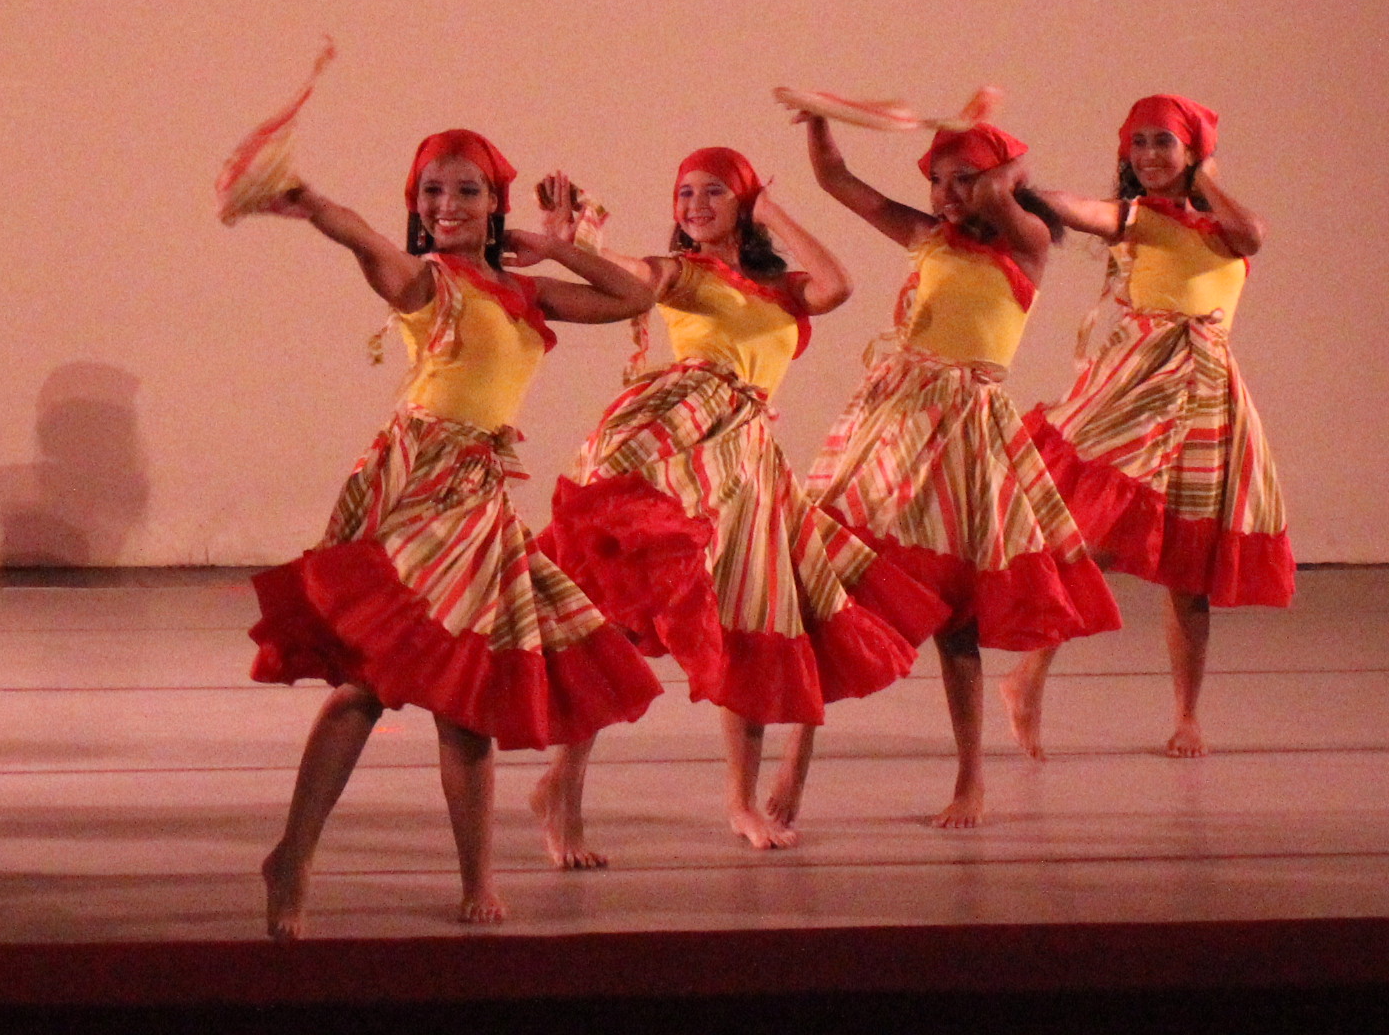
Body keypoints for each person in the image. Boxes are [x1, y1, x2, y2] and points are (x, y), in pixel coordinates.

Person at [245, 131, 663, 937]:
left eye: (466, 192)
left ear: (494, 206)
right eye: (431, 193)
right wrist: (316, 209)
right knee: (365, 685)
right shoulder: (425, 283)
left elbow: (634, 298)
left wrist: (558, 248)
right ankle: (293, 856)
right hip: (416, 491)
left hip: (478, 499)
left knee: (468, 698)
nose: (445, 207)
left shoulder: (524, 293)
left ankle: (476, 875)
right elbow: (370, 245)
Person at [545, 148, 941, 848]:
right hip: (682, 442)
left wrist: (771, 208)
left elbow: (838, 283)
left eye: (715, 192)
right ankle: (565, 794)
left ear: (744, 202)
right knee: (612, 611)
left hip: (748, 462)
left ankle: (740, 803)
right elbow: (628, 278)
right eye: (684, 193)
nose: (695, 205)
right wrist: (569, 247)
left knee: (749, 628)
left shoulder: (783, 287)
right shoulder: (684, 274)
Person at [796, 109, 1118, 827]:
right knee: (826, 572)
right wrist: (819, 121)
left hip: (968, 428)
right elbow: (838, 181)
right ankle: (789, 771)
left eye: (961, 179)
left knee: (958, 615)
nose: (945, 193)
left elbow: (1009, 202)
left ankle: (970, 779)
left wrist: (997, 167)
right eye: (938, 180)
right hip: (894, 421)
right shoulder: (926, 237)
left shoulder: (1026, 246)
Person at [1008, 94, 1289, 759]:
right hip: (1140, 386)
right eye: (1138, 144)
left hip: (1207, 395)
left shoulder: (1226, 227)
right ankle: (1027, 677)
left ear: (1193, 151)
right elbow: (1084, 210)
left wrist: (1205, 174)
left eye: (1163, 142)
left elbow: (1249, 235)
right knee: (1089, 542)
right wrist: (1028, 191)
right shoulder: (1137, 219)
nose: (1148, 156)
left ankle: (1186, 715)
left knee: (1188, 570)